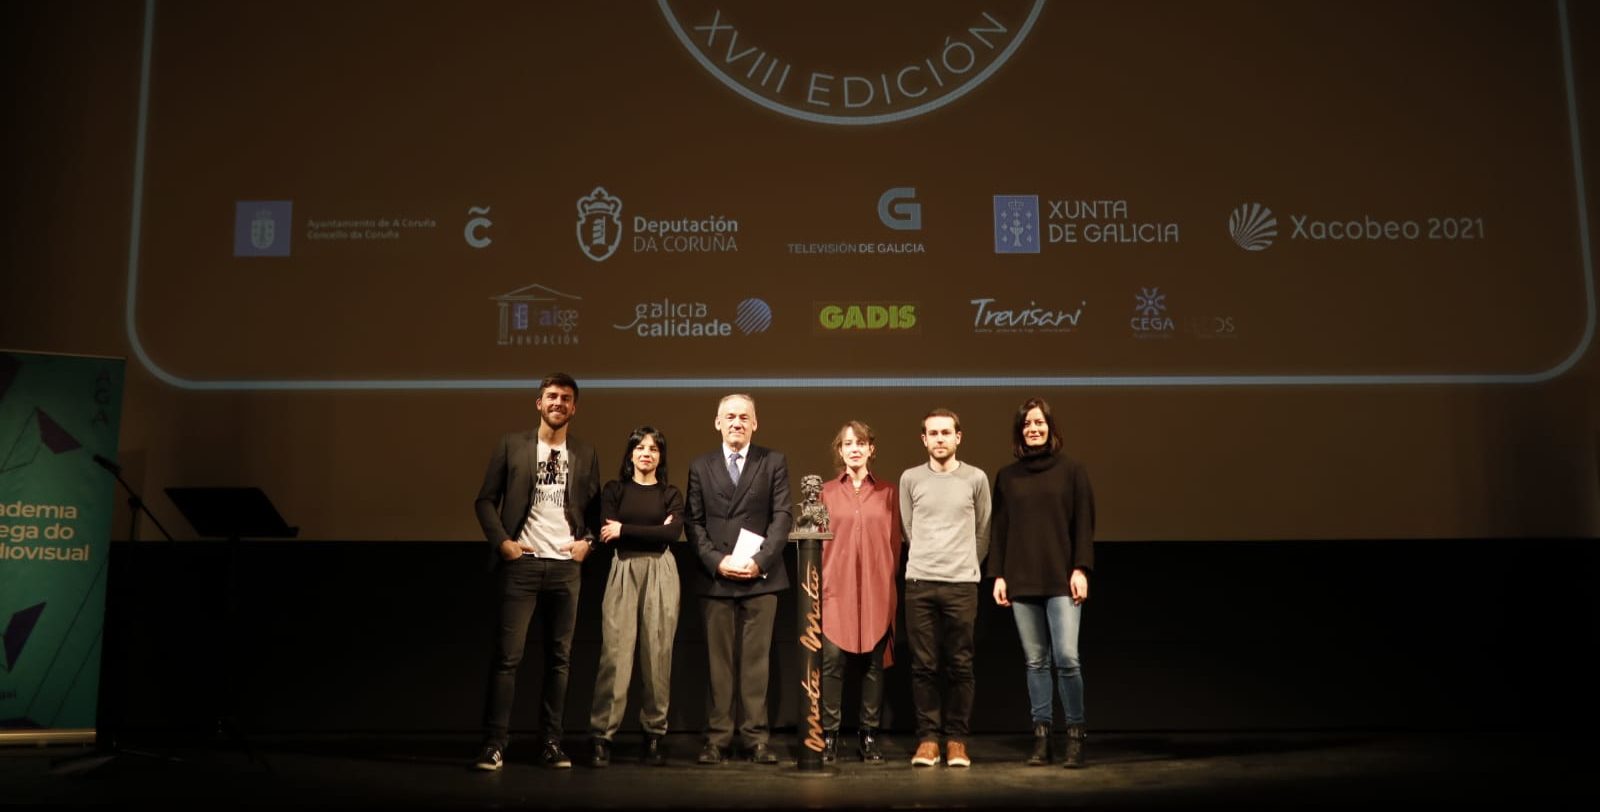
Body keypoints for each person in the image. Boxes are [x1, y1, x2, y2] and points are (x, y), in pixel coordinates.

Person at [472, 372, 601, 771]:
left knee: (559, 660)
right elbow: (484, 501)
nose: (558, 403)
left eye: (565, 398)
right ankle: (494, 744)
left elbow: (596, 509)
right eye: (551, 396)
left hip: (566, 569)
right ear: (539, 403)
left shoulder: (585, 451)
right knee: (508, 659)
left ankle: (551, 743)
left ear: (574, 407)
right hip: (522, 565)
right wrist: (503, 543)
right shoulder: (512, 445)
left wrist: (588, 543)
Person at [685, 393, 792, 765]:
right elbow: (694, 523)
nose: (737, 423)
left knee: (756, 664)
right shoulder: (701, 465)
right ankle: (716, 738)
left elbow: (782, 517)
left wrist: (759, 561)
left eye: (744, 417)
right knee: (718, 664)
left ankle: (755, 738)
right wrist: (717, 561)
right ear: (717, 422)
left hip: (761, 578)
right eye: (730, 417)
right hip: (717, 579)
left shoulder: (773, 461)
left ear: (755, 423)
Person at [990, 396, 1095, 768]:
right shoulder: (1007, 476)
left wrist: (1081, 568)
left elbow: (1084, 523)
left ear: (1050, 427)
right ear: (1020, 432)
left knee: (1067, 659)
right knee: (1035, 661)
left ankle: (1076, 737)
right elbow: (999, 530)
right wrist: (999, 574)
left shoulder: (1072, 471)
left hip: (1061, 578)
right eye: (1027, 425)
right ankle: (1042, 737)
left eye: (1039, 423)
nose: (1034, 429)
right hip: (1021, 578)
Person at [587, 427, 684, 768]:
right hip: (624, 569)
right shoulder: (614, 490)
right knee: (615, 654)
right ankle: (602, 736)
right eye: (640, 447)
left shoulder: (670, 493)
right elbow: (606, 533)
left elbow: (672, 534)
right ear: (630, 454)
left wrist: (625, 529)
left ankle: (654, 733)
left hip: (661, 570)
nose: (647, 453)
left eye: (654, 449)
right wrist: (648, 532)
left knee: (658, 654)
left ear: (661, 456)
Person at [899, 408, 990, 768]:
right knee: (924, 666)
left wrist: (966, 564)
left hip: (962, 584)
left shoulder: (976, 478)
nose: (939, 439)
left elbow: (983, 530)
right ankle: (927, 740)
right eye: (932, 433)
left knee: (960, 665)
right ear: (924, 439)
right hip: (919, 582)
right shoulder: (910, 479)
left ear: (958, 437)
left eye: (945, 433)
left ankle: (956, 741)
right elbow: (908, 528)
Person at [818, 420, 902, 764]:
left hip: (876, 589)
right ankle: (829, 735)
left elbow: (895, 543)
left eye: (861, 442)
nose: (854, 448)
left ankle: (868, 735)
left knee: (872, 665)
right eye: (847, 443)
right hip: (835, 589)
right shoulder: (824, 492)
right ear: (840, 451)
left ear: (871, 449)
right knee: (832, 663)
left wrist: (887, 582)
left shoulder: (888, 492)